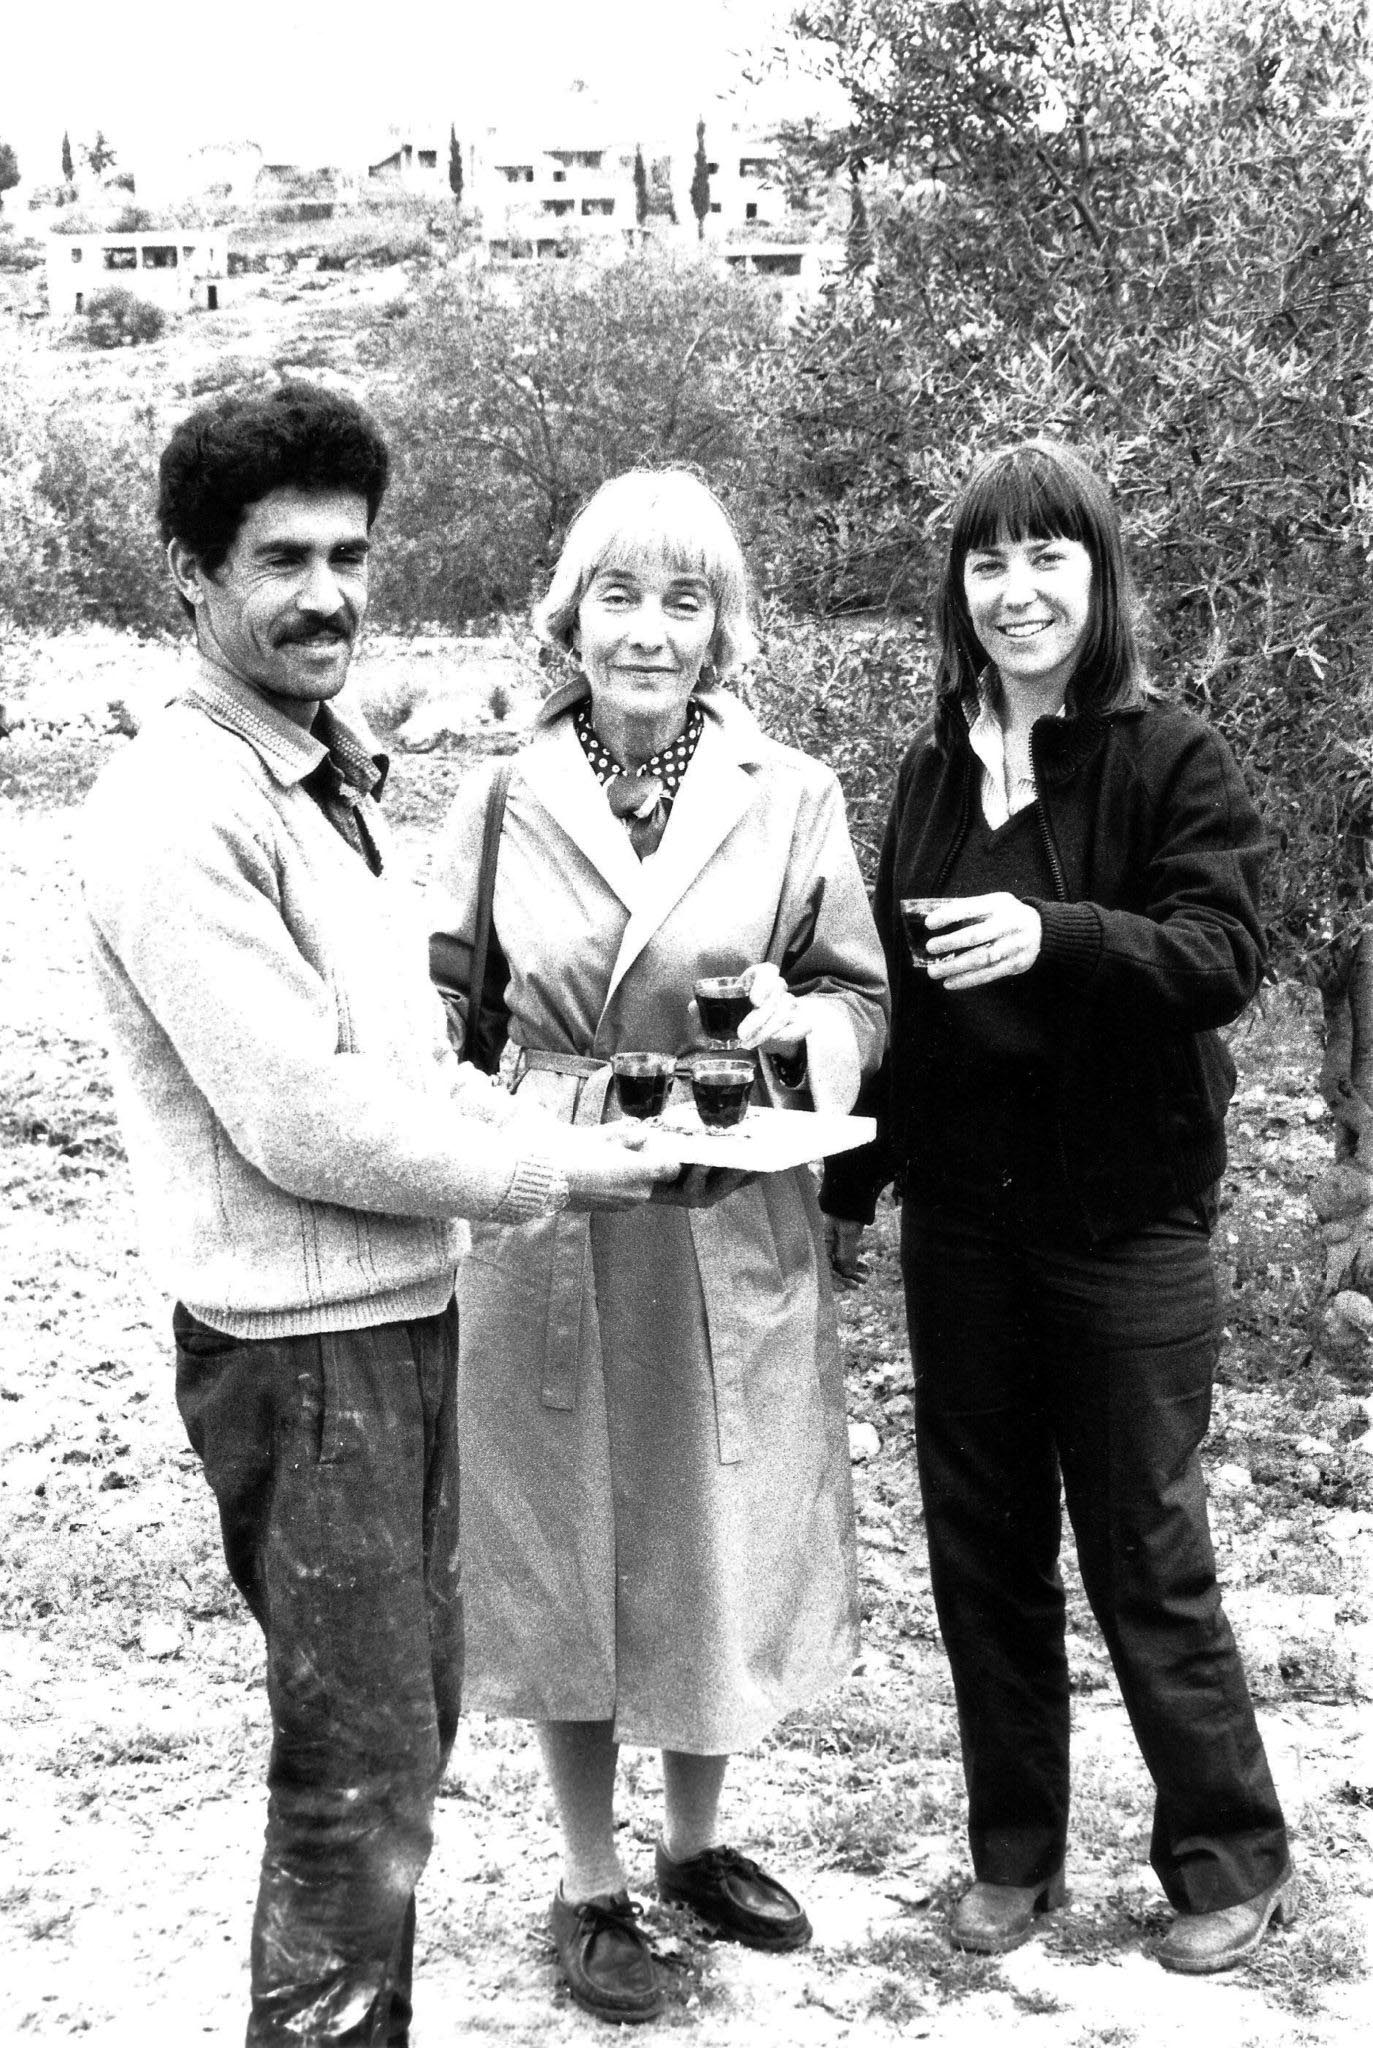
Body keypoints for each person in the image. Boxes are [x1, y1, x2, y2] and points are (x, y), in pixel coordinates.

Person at [79, 384, 681, 2048]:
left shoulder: (316, 774)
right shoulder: (176, 805)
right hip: (302, 1353)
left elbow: (400, 1058)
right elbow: (300, 1115)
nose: (327, 590)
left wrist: (539, 1121)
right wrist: (547, 1175)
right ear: (185, 578)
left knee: (399, 1741)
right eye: (281, 557)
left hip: (393, 1325)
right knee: (355, 1779)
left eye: (349, 552)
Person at [822, 439, 1293, 1975]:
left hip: (1127, 1222)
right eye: (986, 563)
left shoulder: (1170, 758)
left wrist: (1059, 936)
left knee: (1144, 1548)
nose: (1016, 591)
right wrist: (850, 1187)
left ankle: (1225, 1852)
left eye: (1047, 558)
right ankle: (1010, 1854)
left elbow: (1220, 956)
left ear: (1098, 578)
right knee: (982, 1546)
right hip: (963, 1223)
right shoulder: (927, 767)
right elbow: (905, 998)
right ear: (958, 592)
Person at [427, 468, 888, 2024]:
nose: (648, 630)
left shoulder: (793, 790)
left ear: (721, 626)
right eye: (620, 594)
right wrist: (451, 1119)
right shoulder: (499, 791)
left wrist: (800, 1023)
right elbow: (443, 997)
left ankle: (693, 1847)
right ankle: (587, 1882)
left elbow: (858, 998)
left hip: (723, 1207)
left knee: (715, 1522)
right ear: (573, 611)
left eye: (683, 600)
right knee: (558, 1540)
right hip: (557, 1205)